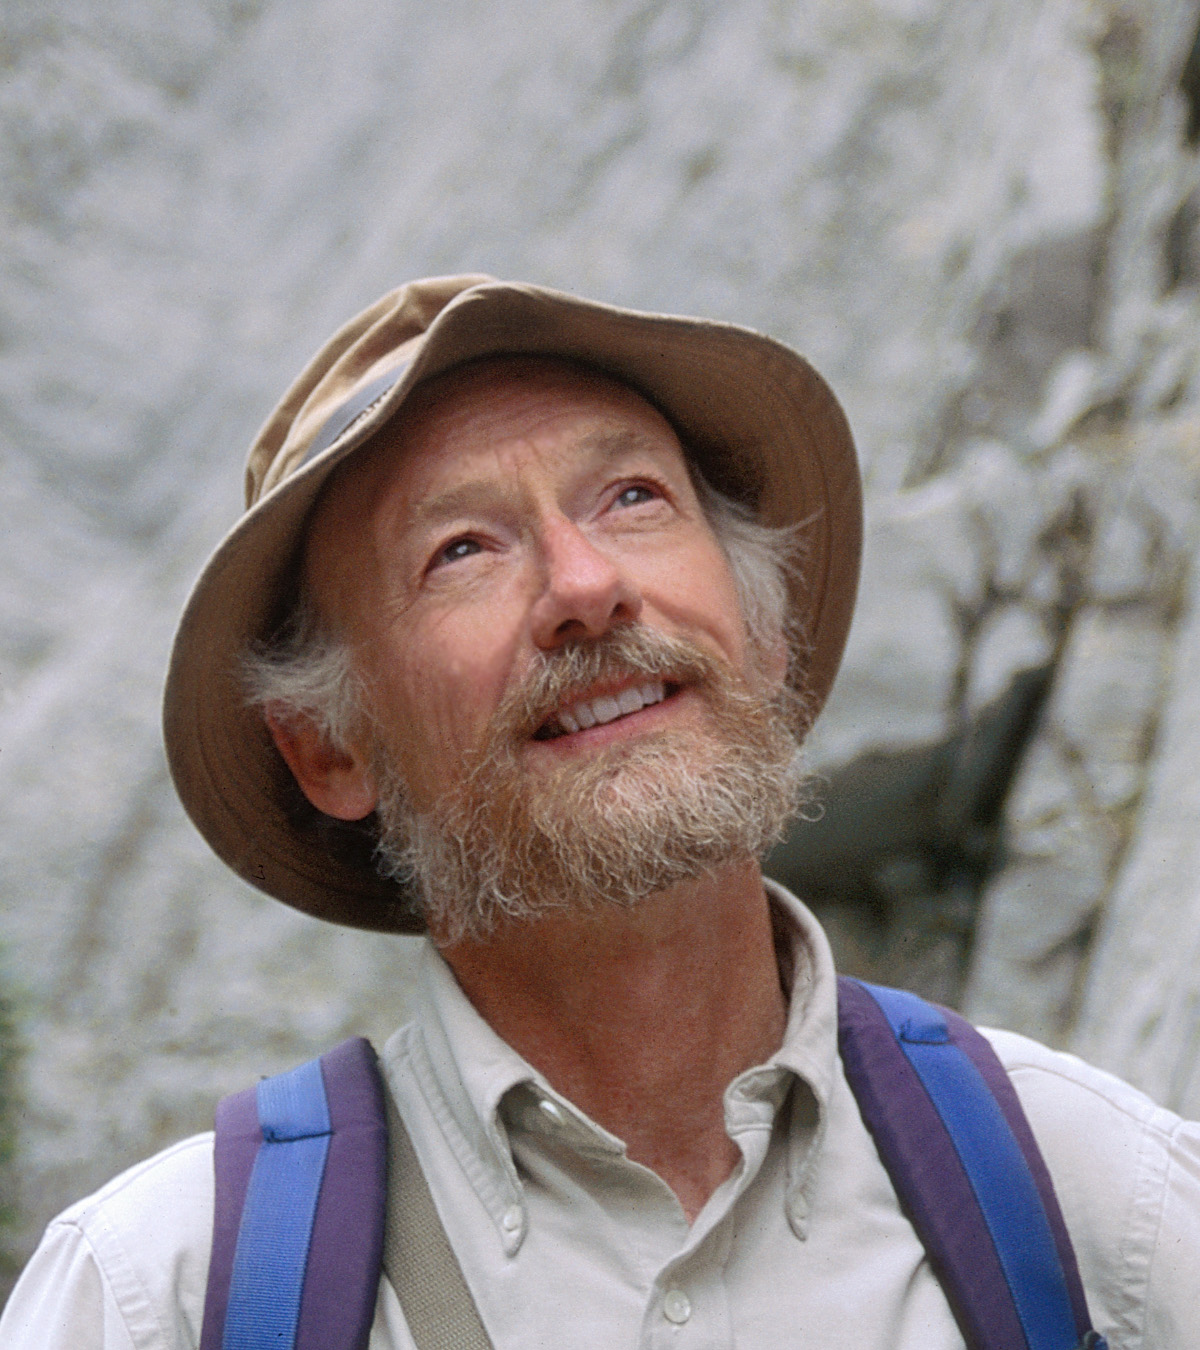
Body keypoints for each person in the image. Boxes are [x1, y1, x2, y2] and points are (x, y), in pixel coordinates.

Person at [2, 275, 1196, 1347]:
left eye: (632, 497)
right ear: (328, 749)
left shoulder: (1107, 1216)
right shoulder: (159, 1297)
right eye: (461, 550)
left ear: (765, 630)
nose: (585, 585)